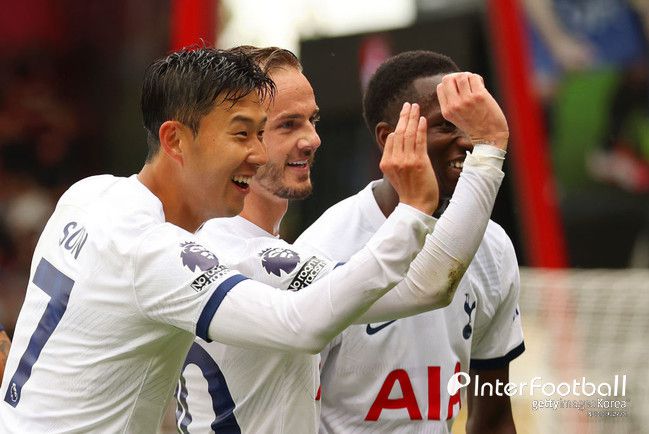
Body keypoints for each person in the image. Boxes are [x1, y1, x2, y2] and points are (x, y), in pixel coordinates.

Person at [0, 47, 445, 433]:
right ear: (175, 139)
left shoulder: (88, 194)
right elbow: (300, 324)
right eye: (241, 133)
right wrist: (412, 211)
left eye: (261, 133)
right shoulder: (154, 251)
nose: (258, 154)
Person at [177, 46, 510, 433]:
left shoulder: (229, 246)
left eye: (312, 120)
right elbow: (429, 285)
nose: (313, 139)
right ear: (237, 138)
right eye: (288, 125)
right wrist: (487, 149)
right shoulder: (248, 259)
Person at [296, 51, 525, 433]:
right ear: (390, 139)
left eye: (472, 123)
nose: (468, 140)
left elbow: (494, 418)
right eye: (446, 125)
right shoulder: (323, 250)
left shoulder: (493, 247)